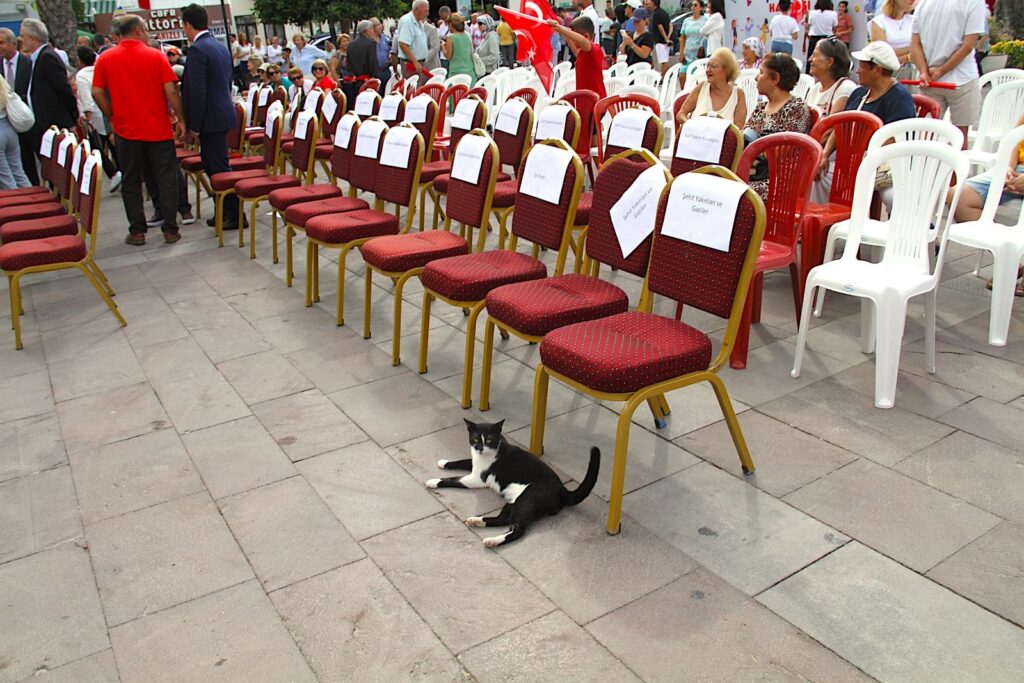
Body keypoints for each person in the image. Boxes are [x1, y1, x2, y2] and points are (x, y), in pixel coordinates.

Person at [93, 14, 184, 245]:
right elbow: (171, 90)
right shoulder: (155, 56)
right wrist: (180, 118)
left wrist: (111, 115)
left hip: (125, 129)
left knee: (132, 181)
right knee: (166, 178)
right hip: (158, 128)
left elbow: (96, 92)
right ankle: (170, 228)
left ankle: (137, 230)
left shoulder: (106, 59)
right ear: (139, 31)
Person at [180, 4, 240, 233]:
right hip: (220, 113)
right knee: (215, 165)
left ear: (188, 24)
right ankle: (224, 210)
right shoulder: (218, 46)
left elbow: (197, 90)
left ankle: (233, 213)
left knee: (218, 168)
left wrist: (194, 124)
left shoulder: (198, 49)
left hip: (210, 117)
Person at [911, 0, 987, 147]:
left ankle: (928, 169)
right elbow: (967, 45)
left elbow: (914, 43)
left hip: (930, 80)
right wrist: (938, 71)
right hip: (961, 78)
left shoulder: (923, 3)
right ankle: (958, 170)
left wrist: (924, 72)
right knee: (960, 138)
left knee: (927, 136)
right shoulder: (974, 3)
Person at [743, 52, 811, 201]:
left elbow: (782, 150)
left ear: (775, 79)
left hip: (777, 180)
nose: (756, 78)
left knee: (737, 194)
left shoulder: (796, 108)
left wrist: (752, 148)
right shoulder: (760, 108)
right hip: (752, 173)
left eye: (761, 73)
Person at [19, 19, 78, 187]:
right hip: (44, 123)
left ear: (33, 38)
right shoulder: (38, 58)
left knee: (59, 169)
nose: (21, 40)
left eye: (23, 36)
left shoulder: (47, 57)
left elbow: (63, 88)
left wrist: (72, 116)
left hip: (54, 122)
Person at [75, 47, 121, 190]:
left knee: (96, 148)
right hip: (109, 111)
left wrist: (87, 119)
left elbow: (87, 99)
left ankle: (114, 173)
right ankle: (121, 172)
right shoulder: (99, 69)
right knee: (114, 145)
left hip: (96, 115)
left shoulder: (81, 76)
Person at [0, 27, 37, 185]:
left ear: (13, 43)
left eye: (1, 43)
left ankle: (30, 202)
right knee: (17, 170)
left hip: (26, 122)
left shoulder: (28, 63)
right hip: (8, 124)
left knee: (15, 174)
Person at [676, 47, 746, 127]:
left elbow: (738, 130)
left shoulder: (738, 94)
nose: (708, 70)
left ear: (727, 70)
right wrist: (690, 125)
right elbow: (681, 114)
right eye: (707, 66)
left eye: (714, 66)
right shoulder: (701, 87)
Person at [549, 15, 607, 99]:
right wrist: (563, 31)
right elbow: (575, 49)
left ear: (586, 36)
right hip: (584, 102)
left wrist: (559, 28)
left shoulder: (595, 50)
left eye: (574, 36)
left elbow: (583, 40)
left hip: (595, 102)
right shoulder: (583, 52)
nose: (573, 40)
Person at [810, 37, 856, 116]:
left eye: (815, 55)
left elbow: (831, 126)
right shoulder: (816, 88)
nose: (810, 59)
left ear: (829, 62)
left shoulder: (845, 88)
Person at [870, 0, 915, 79]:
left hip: (914, 72)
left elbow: (922, 49)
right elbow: (883, 55)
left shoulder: (914, 20)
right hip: (888, 75)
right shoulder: (878, 22)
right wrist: (909, 56)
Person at [0, 75, 29, 189]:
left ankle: (22, 206)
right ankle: (32, 201)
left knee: (6, 181)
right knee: (19, 174)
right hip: (9, 128)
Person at [396, 1, 430, 78]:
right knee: (413, 87)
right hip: (411, 64)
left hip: (418, 62)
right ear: (416, 9)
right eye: (425, 11)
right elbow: (403, 44)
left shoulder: (419, 22)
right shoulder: (407, 21)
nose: (427, 14)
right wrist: (415, 62)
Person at [678, 2, 708, 81]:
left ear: (701, 8)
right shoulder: (686, 21)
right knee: (682, 75)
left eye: (695, 5)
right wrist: (681, 52)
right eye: (692, 5)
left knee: (697, 78)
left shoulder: (705, 20)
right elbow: (682, 37)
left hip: (699, 53)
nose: (693, 7)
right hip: (688, 52)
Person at [805, 1, 838, 73]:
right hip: (828, 38)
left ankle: (809, 75)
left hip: (814, 38)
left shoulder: (812, 13)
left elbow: (810, 23)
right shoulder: (833, 14)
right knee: (828, 59)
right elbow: (835, 27)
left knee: (811, 59)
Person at [444, 14, 476, 85]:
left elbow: (448, 56)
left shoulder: (451, 37)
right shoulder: (467, 35)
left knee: (456, 95)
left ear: (451, 24)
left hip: (456, 72)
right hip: (470, 70)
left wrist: (443, 47)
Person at [645, 0, 672, 75]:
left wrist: (665, 38)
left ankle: (663, 77)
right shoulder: (664, 12)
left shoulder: (656, 14)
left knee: (663, 60)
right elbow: (670, 25)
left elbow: (660, 26)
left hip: (660, 40)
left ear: (653, 3)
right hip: (666, 40)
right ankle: (664, 75)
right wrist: (668, 36)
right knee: (665, 59)